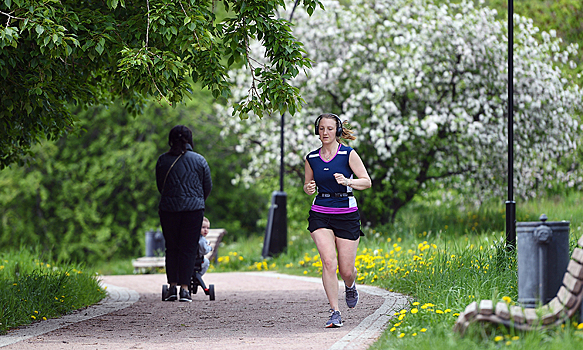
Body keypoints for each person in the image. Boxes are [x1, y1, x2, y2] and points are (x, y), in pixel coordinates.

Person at [303, 113, 372, 328]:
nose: (325, 133)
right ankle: (335, 311)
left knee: (346, 270)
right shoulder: (311, 158)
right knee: (328, 262)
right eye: (322, 128)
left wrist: (347, 181)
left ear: (338, 131)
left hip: (346, 213)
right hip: (320, 212)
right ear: (317, 130)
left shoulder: (348, 154)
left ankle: (350, 285)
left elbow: (367, 182)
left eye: (330, 129)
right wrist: (308, 188)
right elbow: (307, 185)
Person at [156, 125, 212, 302]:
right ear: (189, 139)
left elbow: (160, 186)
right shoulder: (199, 160)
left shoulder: (163, 160)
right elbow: (207, 186)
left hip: (169, 209)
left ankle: (172, 287)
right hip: (193, 210)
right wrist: (196, 200)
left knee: (172, 248)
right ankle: (186, 290)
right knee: (189, 249)